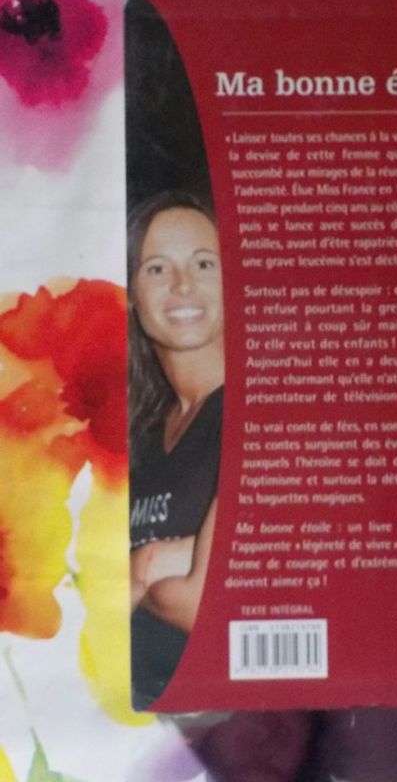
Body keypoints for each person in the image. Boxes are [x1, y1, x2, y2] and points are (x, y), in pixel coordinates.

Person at [127, 190, 224, 709]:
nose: (183, 284)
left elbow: (200, 605)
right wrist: (154, 560)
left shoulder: (262, 413)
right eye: (157, 268)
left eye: (204, 263)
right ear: (130, 292)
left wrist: (131, 570)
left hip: (220, 727)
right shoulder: (137, 434)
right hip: (127, 713)